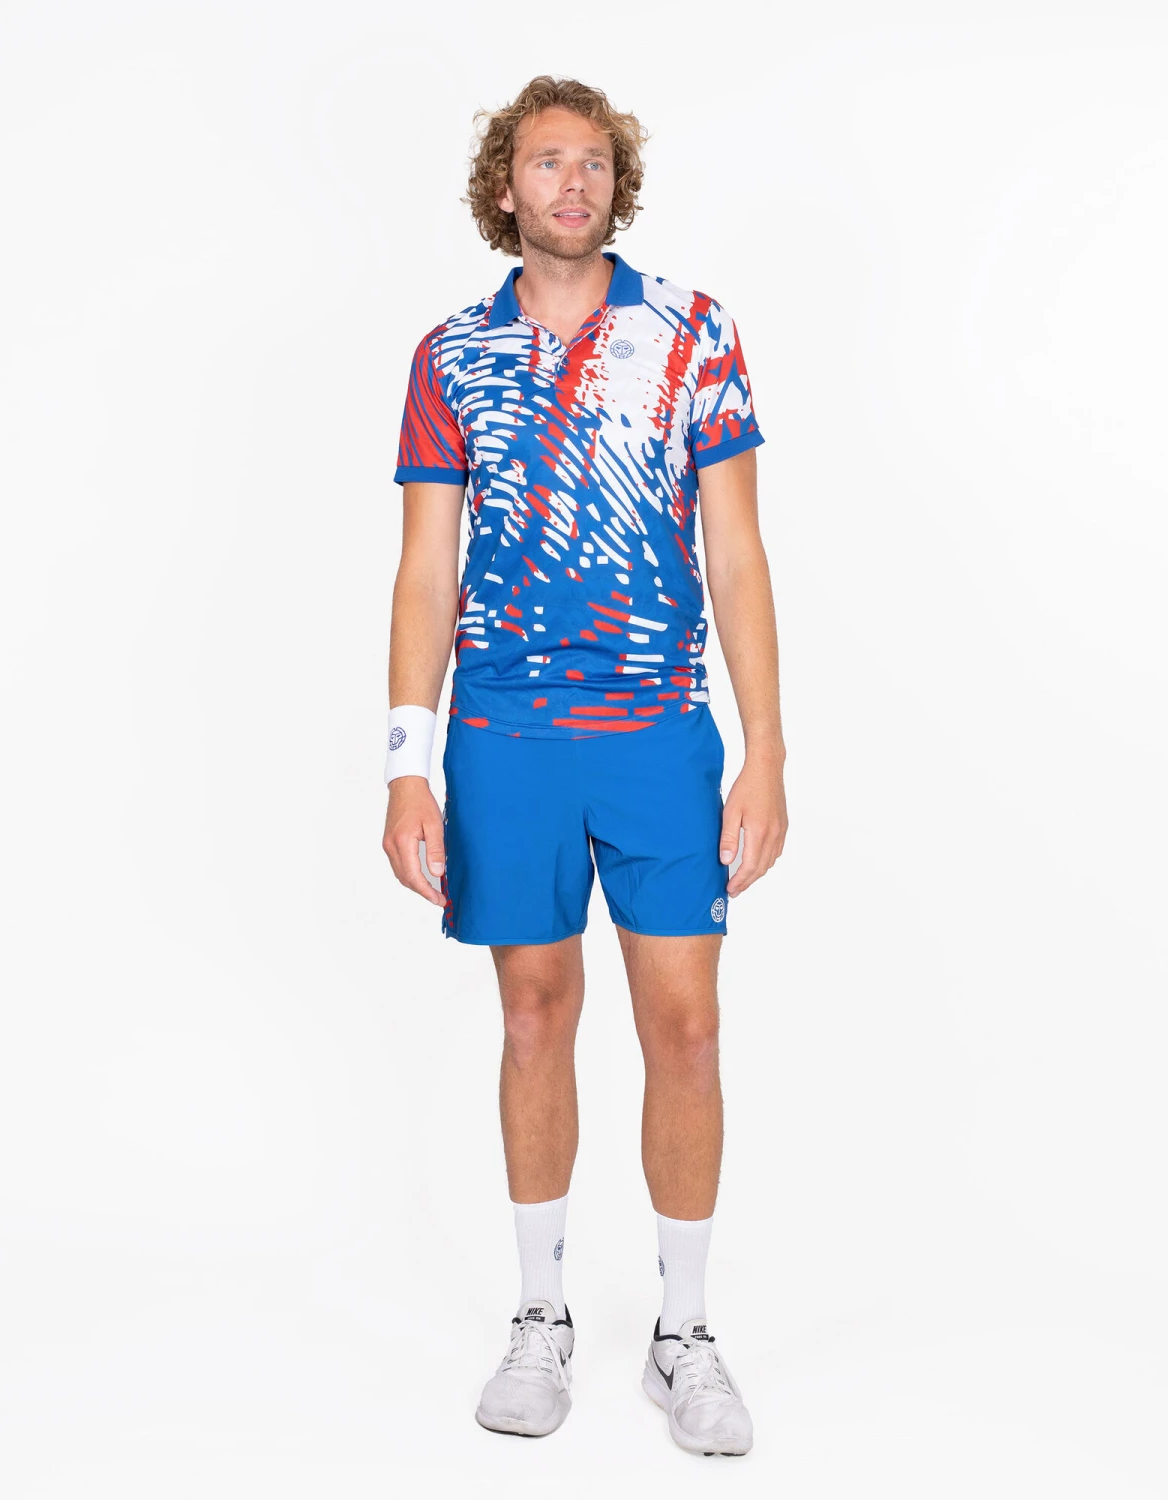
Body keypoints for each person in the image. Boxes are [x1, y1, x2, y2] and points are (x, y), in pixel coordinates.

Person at [380, 74, 786, 1458]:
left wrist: (768, 751)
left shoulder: (692, 332)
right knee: (534, 1014)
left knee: (687, 1025)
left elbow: (737, 553)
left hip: (658, 731)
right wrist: (407, 762)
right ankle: (541, 1313)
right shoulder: (452, 356)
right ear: (505, 186)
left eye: (596, 163)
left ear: (619, 185)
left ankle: (685, 1333)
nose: (575, 183)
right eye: (549, 162)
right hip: (505, 736)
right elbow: (424, 567)